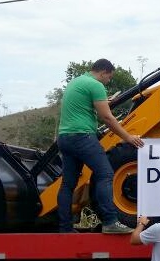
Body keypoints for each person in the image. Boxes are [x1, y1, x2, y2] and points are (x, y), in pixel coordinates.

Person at [56, 58, 144, 233]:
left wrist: (105, 101)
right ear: (104, 72)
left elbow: (84, 107)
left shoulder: (78, 82)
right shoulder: (96, 85)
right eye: (109, 77)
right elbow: (107, 118)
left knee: (68, 184)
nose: (108, 81)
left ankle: (65, 228)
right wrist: (127, 137)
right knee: (105, 174)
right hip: (82, 137)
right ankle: (110, 222)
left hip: (65, 137)